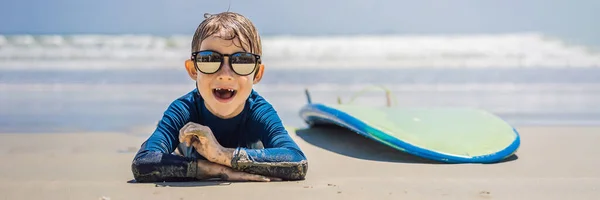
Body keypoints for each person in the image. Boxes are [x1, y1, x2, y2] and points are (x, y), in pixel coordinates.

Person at [131, 12, 308, 182]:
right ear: (193, 70)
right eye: (209, 59)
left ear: (257, 74)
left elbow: (297, 160)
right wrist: (215, 169)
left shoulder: (259, 111)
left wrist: (221, 154)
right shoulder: (183, 109)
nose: (225, 74)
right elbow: (144, 162)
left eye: (242, 60)